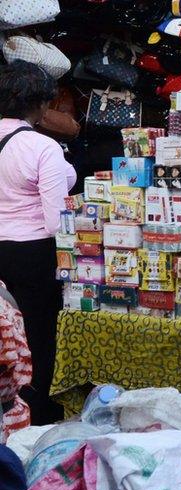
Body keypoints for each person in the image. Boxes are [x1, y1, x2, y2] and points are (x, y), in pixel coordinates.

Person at [0, 61, 74, 425]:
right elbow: (54, 219)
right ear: (41, 106)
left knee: (4, 334)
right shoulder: (43, 147)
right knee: (38, 335)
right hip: (33, 253)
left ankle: (7, 407)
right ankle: (38, 414)